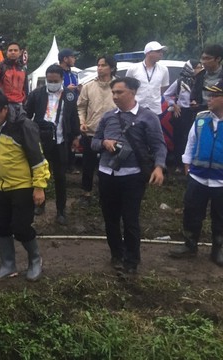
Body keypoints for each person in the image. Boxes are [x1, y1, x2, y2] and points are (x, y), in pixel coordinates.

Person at [91, 77, 166, 275]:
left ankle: (132, 260)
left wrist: (158, 167)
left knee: (130, 219)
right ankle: (116, 254)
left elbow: (159, 145)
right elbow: (94, 142)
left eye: (119, 92)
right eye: (113, 92)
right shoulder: (108, 117)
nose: (115, 96)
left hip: (132, 176)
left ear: (132, 92)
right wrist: (104, 143)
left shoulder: (147, 117)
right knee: (110, 218)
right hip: (107, 173)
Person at [0, 89, 50, 281]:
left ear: (5, 109)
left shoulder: (24, 126)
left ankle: (35, 260)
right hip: (0, 186)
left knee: (21, 227)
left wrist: (39, 187)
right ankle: (8, 265)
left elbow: (38, 159)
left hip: (22, 186)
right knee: (0, 226)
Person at [169, 79, 223, 265]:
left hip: (220, 181)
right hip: (197, 176)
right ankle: (190, 245)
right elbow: (191, 142)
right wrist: (187, 163)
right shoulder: (201, 118)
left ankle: (218, 250)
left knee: (220, 217)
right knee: (192, 212)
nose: (209, 98)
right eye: (209, 95)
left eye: (215, 96)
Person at [25, 64, 80, 225]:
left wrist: (76, 135)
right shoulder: (37, 94)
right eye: (49, 80)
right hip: (41, 141)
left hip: (61, 141)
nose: (52, 83)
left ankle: (61, 210)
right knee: (39, 175)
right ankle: (39, 204)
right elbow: (27, 115)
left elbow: (73, 116)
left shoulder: (69, 95)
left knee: (60, 177)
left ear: (62, 79)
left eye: (55, 81)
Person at [77, 55, 117, 204]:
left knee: (109, 165)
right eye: (98, 65)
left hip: (112, 134)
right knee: (88, 165)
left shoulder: (118, 86)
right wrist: (82, 121)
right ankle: (86, 193)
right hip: (91, 132)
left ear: (111, 68)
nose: (99, 68)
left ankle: (106, 195)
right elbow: (81, 107)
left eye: (103, 65)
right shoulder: (88, 86)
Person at [164, 60, 202, 170]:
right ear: (190, 68)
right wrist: (174, 105)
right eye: (197, 68)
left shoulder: (201, 82)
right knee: (180, 139)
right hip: (182, 113)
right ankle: (179, 164)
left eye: (200, 68)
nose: (199, 70)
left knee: (195, 138)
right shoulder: (180, 82)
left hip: (196, 112)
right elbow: (166, 95)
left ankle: (192, 163)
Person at [125, 41, 170, 117]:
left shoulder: (163, 69)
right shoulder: (133, 69)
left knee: (154, 129)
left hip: (155, 110)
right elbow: (126, 87)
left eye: (161, 51)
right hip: (136, 109)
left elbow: (163, 88)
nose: (161, 53)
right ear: (148, 53)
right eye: (158, 51)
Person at [190, 44, 223, 112]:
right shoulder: (200, 76)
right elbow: (193, 95)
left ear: (218, 59)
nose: (203, 62)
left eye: (207, 58)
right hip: (202, 115)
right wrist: (193, 102)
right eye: (202, 58)